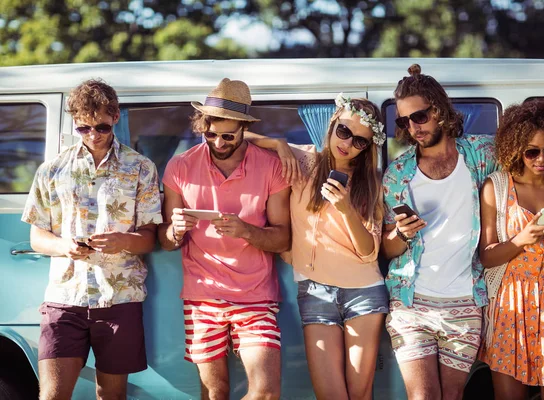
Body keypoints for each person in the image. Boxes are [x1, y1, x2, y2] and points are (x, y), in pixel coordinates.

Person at [381, 64, 544, 400]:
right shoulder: (397, 173)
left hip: (467, 303)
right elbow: (387, 247)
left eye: (419, 117)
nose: (412, 127)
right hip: (411, 301)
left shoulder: (481, 154)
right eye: (403, 121)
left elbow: (536, 156)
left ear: (438, 111)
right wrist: (401, 235)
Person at [21, 79, 162, 400]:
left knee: (111, 397)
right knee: (53, 396)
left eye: (100, 126)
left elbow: (149, 239)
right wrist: (64, 247)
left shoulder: (140, 167)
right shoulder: (52, 169)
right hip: (64, 299)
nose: (93, 135)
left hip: (119, 299)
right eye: (84, 128)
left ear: (115, 117)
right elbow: (37, 236)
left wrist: (122, 241)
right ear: (75, 123)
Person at [244, 93, 388, 400]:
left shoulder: (371, 183)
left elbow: (368, 252)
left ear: (367, 148)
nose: (347, 144)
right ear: (333, 123)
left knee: (359, 395)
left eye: (360, 141)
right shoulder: (303, 160)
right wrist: (278, 143)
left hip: (363, 292)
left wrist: (346, 206)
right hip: (314, 291)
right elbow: (239, 136)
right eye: (344, 131)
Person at [158, 78, 291, 400]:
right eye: (211, 134)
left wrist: (247, 231)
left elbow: (283, 237)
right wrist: (175, 229)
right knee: (214, 392)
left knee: (266, 392)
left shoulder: (271, 166)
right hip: (202, 295)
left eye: (228, 135)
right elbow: (165, 241)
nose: (218, 142)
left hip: (256, 295)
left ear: (245, 129)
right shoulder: (180, 166)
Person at [479, 100, 544, 400]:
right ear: (515, 148)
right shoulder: (497, 187)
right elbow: (486, 257)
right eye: (532, 151)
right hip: (509, 302)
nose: (542, 159)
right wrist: (520, 239)